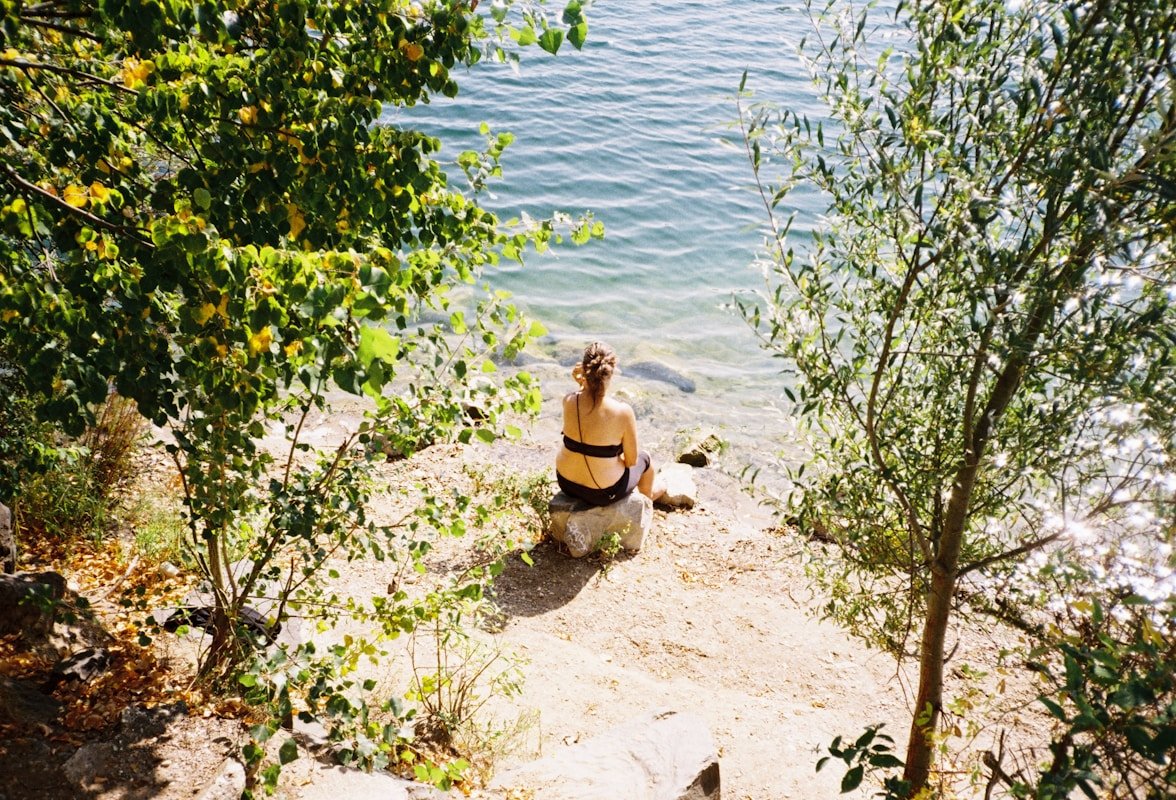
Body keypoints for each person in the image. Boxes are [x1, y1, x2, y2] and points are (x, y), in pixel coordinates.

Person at [555, 342, 665, 506]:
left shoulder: (569, 400)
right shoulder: (623, 412)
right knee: (645, 458)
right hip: (601, 493)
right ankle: (647, 499)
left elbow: (586, 410)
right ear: (611, 373)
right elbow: (631, 461)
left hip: (566, 483)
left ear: (585, 370)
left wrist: (582, 383)